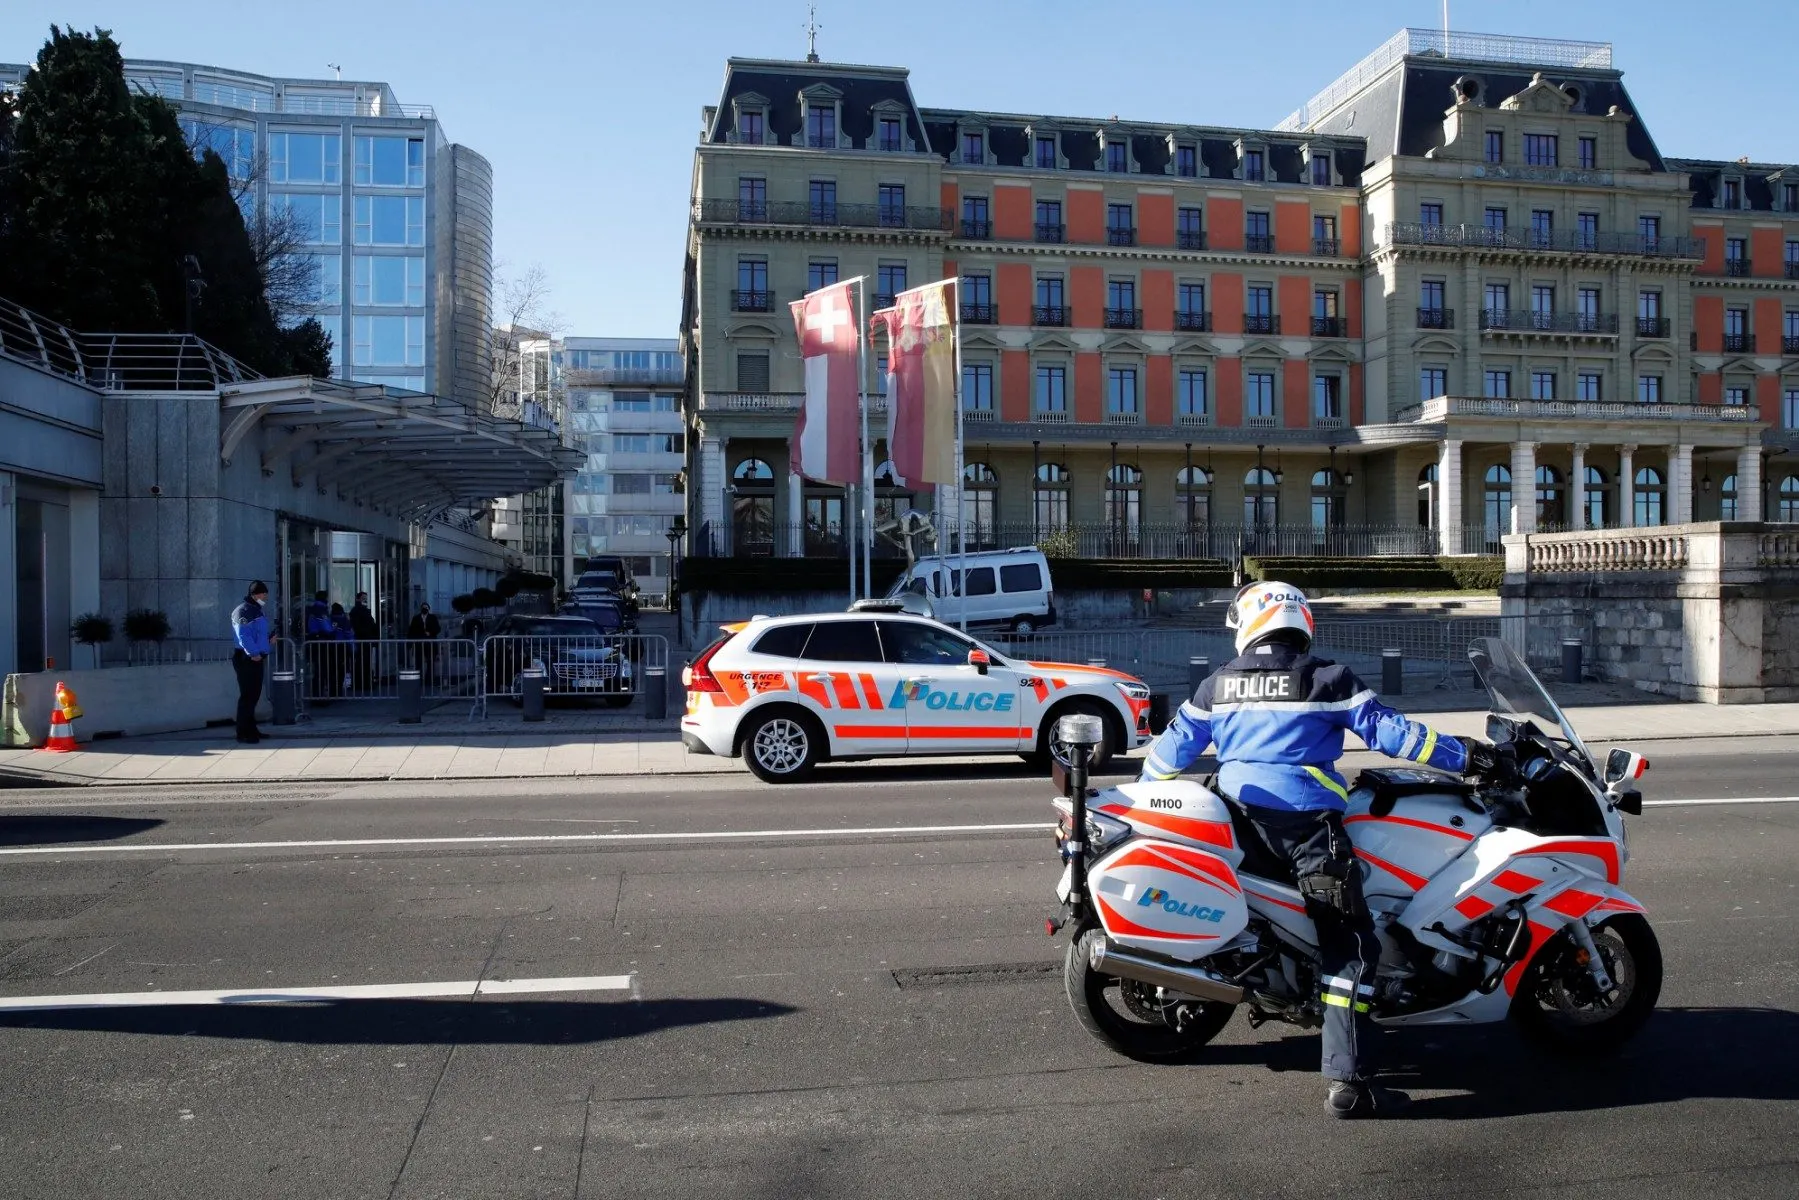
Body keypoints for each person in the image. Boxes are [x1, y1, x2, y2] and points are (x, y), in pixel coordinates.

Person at [1138, 582, 1495, 1119]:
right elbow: (1395, 736)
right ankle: (1348, 1081)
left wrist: (1144, 799)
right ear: (1300, 622)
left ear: (1249, 624)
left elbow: (1167, 755)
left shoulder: (1219, 684)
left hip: (1239, 826)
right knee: (1349, 946)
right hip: (1307, 830)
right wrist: (1465, 756)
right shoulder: (1327, 678)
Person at [229, 581, 271, 744]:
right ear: (254, 594)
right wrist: (254, 653)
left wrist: (268, 641)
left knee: (253, 696)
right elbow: (243, 635)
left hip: (256, 657)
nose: (265, 597)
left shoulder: (256, 610)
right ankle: (243, 733)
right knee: (247, 696)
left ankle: (251, 729)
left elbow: (256, 635)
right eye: (263, 594)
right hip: (247, 658)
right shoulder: (243, 611)